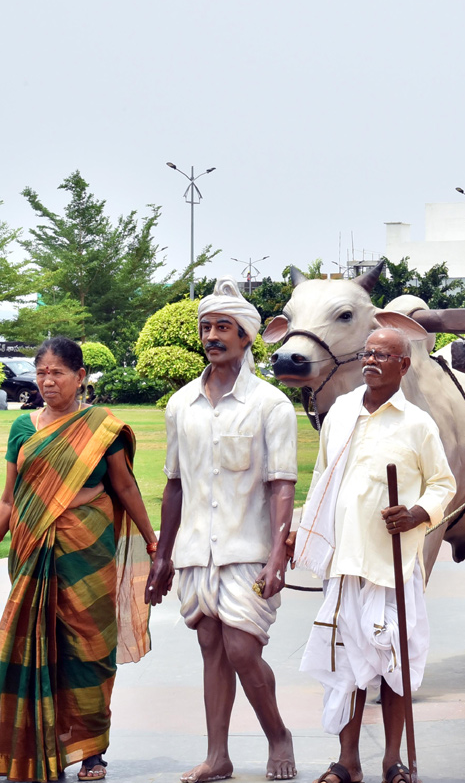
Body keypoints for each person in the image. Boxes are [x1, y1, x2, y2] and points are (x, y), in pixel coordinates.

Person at [0, 337, 157, 783]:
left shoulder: (101, 427)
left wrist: (152, 543)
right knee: (37, 646)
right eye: (42, 372)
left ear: (80, 377)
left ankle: (92, 752)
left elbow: (125, 488)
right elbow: (9, 501)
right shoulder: (23, 430)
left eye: (58, 373)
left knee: (90, 650)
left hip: (89, 549)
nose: (48, 381)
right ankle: (34, 746)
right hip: (34, 550)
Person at [145, 277, 299, 783]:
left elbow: (281, 486)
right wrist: (162, 556)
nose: (213, 336)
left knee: (242, 649)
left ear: (247, 337)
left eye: (224, 327)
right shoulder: (181, 405)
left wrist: (279, 554)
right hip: (194, 551)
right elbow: (174, 487)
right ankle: (218, 755)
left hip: (248, 547)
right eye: (207, 327)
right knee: (211, 644)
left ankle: (277, 734)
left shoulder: (270, 405)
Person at [291, 327, 457, 783]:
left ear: (404, 365)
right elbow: (323, 479)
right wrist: (302, 533)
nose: (372, 360)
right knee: (346, 664)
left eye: (384, 355)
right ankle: (346, 762)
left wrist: (417, 512)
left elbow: (444, 484)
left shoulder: (417, 423)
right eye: (367, 352)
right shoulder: (341, 411)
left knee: (394, 665)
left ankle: (393, 761)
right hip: (345, 565)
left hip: (394, 566)